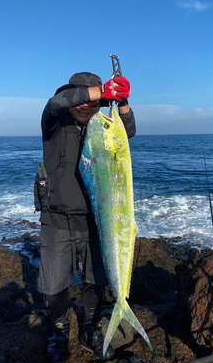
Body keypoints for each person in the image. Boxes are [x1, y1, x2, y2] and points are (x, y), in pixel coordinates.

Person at [36, 71, 136, 362]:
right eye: (83, 98)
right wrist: (101, 92)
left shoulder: (99, 125)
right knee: (55, 285)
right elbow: (56, 103)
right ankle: (59, 330)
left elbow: (127, 132)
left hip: (96, 221)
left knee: (96, 281)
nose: (87, 106)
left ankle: (90, 328)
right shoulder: (54, 123)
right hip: (57, 220)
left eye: (95, 102)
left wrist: (122, 100)